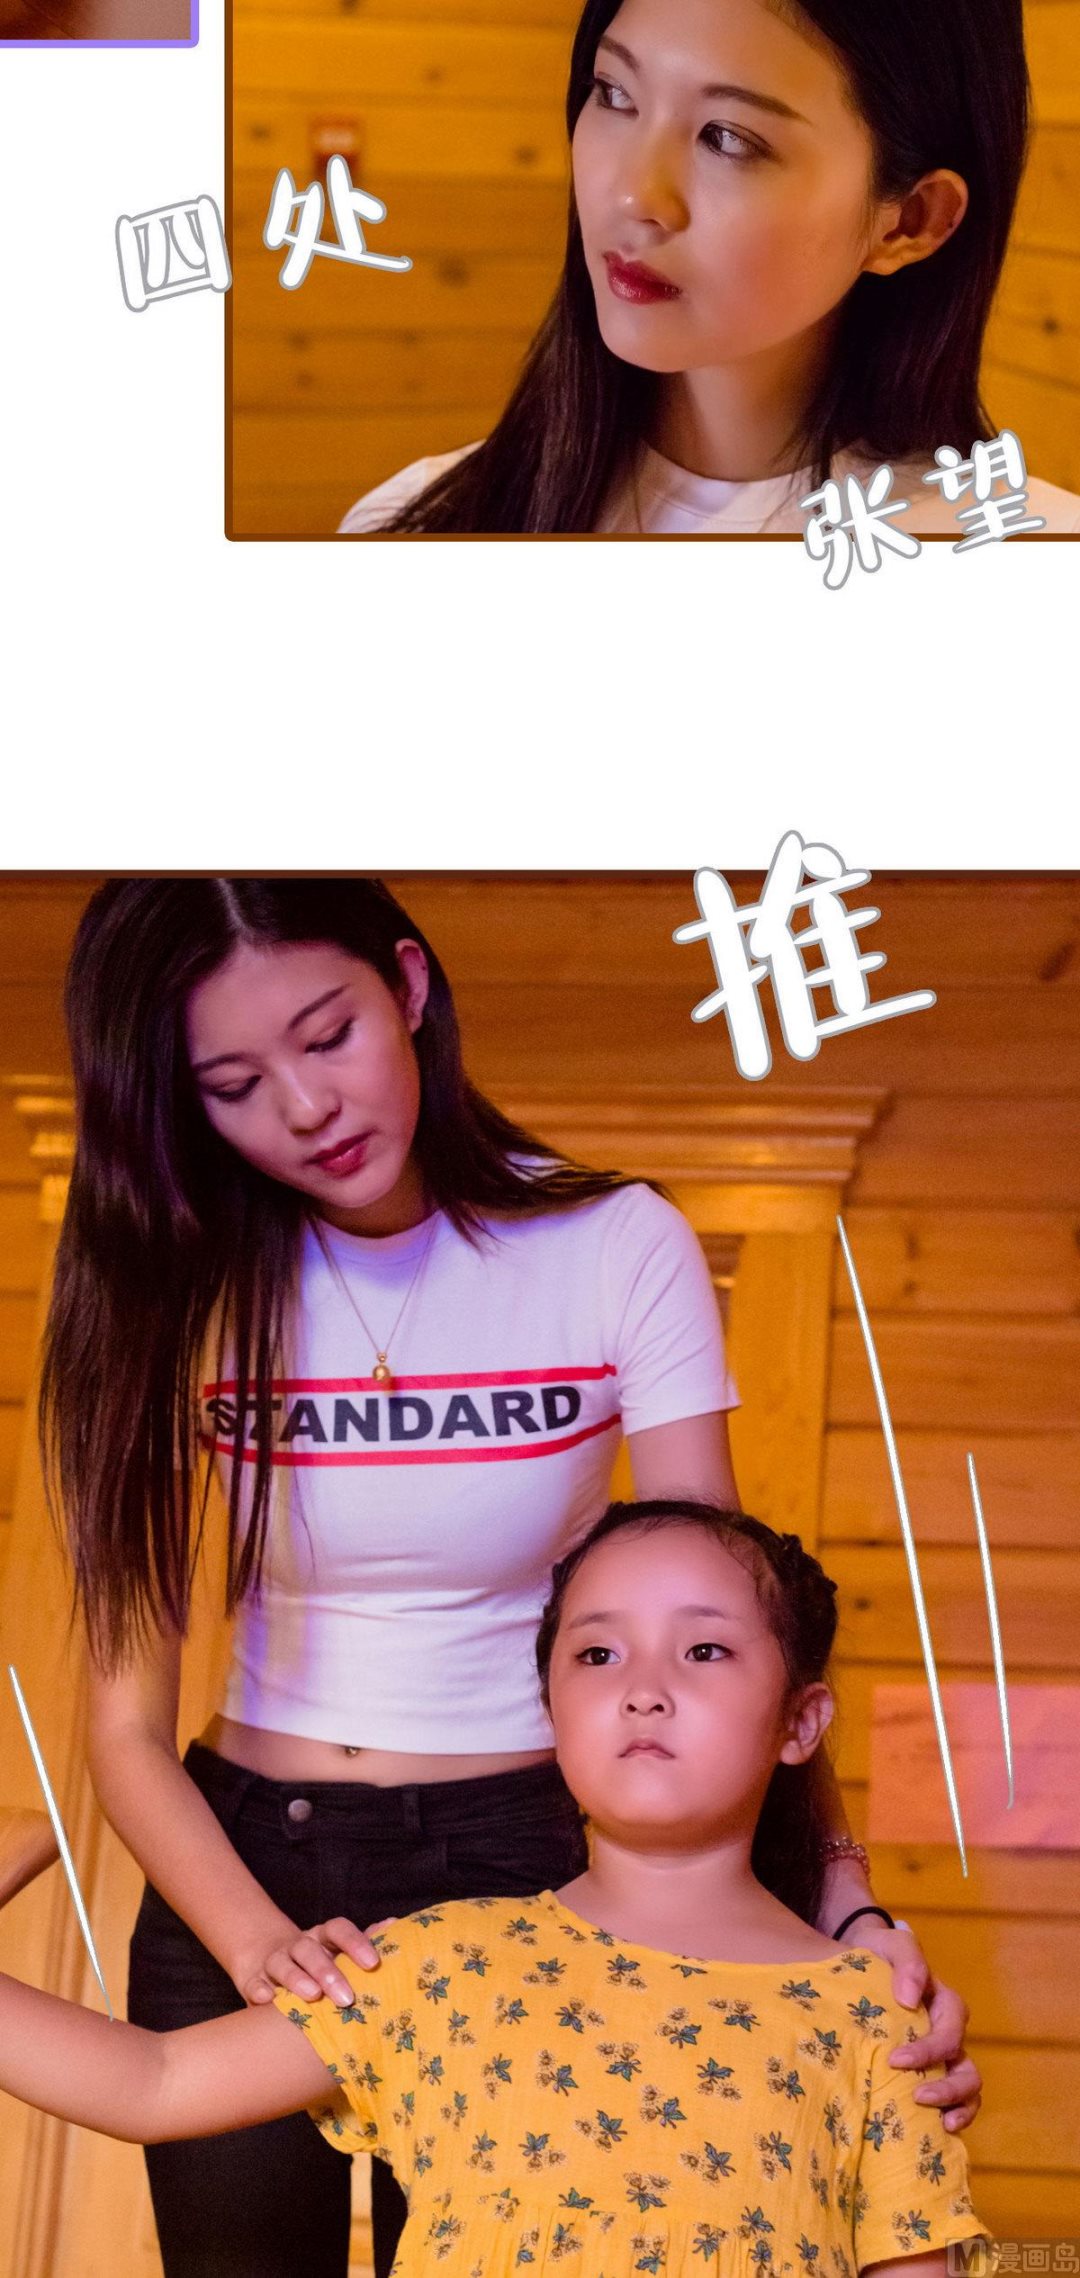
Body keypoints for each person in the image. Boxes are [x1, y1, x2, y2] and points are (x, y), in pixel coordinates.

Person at [39, 877, 981, 2278]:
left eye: (329, 1033)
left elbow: (733, 1623)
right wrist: (258, 1946)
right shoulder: (168, 1285)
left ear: (411, 986)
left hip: (526, 1855)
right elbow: (122, 1728)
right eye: (233, 1084)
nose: (306, 1105)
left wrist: (844, 1908)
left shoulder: (612, 1244)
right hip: (240, 1858)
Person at [0, 1501, 993, 2277]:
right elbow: (153, 2082)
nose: (644, 1687)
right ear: (549, 1710)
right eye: (597, 1653)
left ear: (801, 1722)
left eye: (704, 1649)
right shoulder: (439, 1961)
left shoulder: (873, 2017)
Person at [337, 0, 1080, 538]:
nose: (634, 194)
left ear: (909, 220)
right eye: (614, 94)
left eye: (726, 137)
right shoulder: (417, 526)